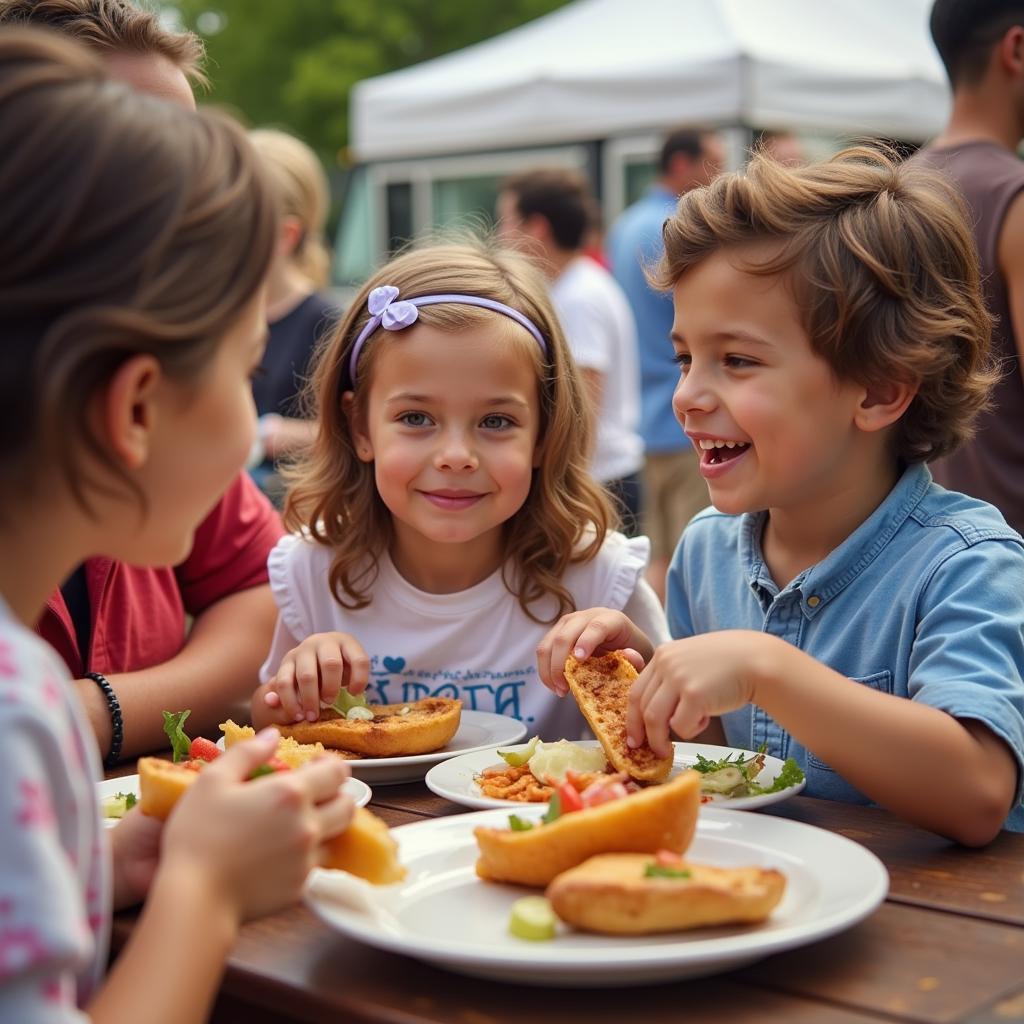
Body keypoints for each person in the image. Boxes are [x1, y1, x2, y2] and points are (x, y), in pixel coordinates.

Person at [0, 29, 352, 1022]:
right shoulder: (15, 714)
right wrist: (204, 890)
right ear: (136, 411)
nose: (253, 418)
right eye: (245, 370)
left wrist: (103, 863)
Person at [537, 147, 1024, 844]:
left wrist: (767, 668)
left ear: (881, 389)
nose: (687, 395)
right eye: (685, 358)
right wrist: (655, 677)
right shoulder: (707, 551)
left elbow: (978, 791)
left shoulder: (967, 564)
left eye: (737, 360)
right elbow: (727, 757)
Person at [0, 0, 285, 760]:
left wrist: (96, 713)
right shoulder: (167, 408)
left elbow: (266, 592)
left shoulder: (165, 436)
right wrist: (203, 878)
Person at [250, 240, 669, 739]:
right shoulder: (313, 573)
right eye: (416, 418)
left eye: (495, 420)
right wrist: (296, 690)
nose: (456, 455)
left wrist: (639, 662)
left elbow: (690, 744)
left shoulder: (599, 578)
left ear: (544, 433)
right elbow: (268, 727)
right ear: (360, 427)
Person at [916, 0, 1024, 536]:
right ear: (1017, 49)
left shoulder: (893, 194)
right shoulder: (1015, 195)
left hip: (912, 549)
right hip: (1010, 545)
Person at [607, 129, 726, 598]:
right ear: (681, 163)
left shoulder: (626, 225)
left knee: (658, 556)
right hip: (690, 427)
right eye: (712, 160)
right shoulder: (682, 228)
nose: (719, 173)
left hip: (647, 418)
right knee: (695, 558)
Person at [496, 169, 645, 535]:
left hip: (597, 479)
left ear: (538, 227)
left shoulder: (578, 297)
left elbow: (582, 408)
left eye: (509, 222)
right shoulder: (579, 285)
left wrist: (562, 487)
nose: (502, 235)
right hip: (604, 475)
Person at [248, 128, 339, 504]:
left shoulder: (328, 322)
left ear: (286, 235)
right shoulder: (221, 312)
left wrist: (275, 434)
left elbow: (365, 434)